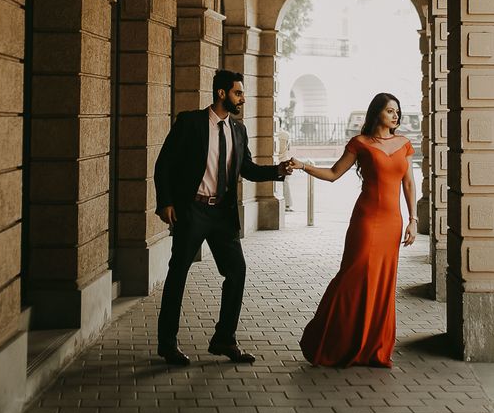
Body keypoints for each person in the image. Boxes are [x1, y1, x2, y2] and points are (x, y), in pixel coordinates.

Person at [154, 69, 292, 366]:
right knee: (178, 274)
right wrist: (165, 202)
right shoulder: (190, 123)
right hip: (192, 210)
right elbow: (164, 164)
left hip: (222, 214)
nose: (243, 99)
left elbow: (248, 169)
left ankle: (224, 339)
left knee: (237, 271)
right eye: (238, 93)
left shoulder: (238, 130)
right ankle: (167, 344)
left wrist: (278, 171)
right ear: (221, 94)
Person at [292, 92, 416, 368]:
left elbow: (408, 184)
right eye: (389, 111)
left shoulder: (404, 144)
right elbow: (334, 174)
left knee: (383, 283)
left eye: (397, 111)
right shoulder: (360, 143)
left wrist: (413, 219)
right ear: (377, 114)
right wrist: (303, 166)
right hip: (367, 220)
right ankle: (326, 339)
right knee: (353, 275)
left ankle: (374, 347)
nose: (395, 115)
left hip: (392, 223)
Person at [276, 116, 293, 210]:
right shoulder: (286, 135)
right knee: (286, 183)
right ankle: (288, 204)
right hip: (285, 160)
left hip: (275, 161)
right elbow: (289, 148)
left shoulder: (273, 135)